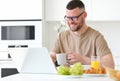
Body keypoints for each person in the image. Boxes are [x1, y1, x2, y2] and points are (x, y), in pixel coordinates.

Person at [50, 0, 114, 69]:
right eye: (68, 18)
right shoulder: (62, 36)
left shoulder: (96, 37)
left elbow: (110, 65)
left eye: (74, 18)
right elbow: (52, 56)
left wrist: (84, 60)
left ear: (84, 15)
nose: (71, 22)